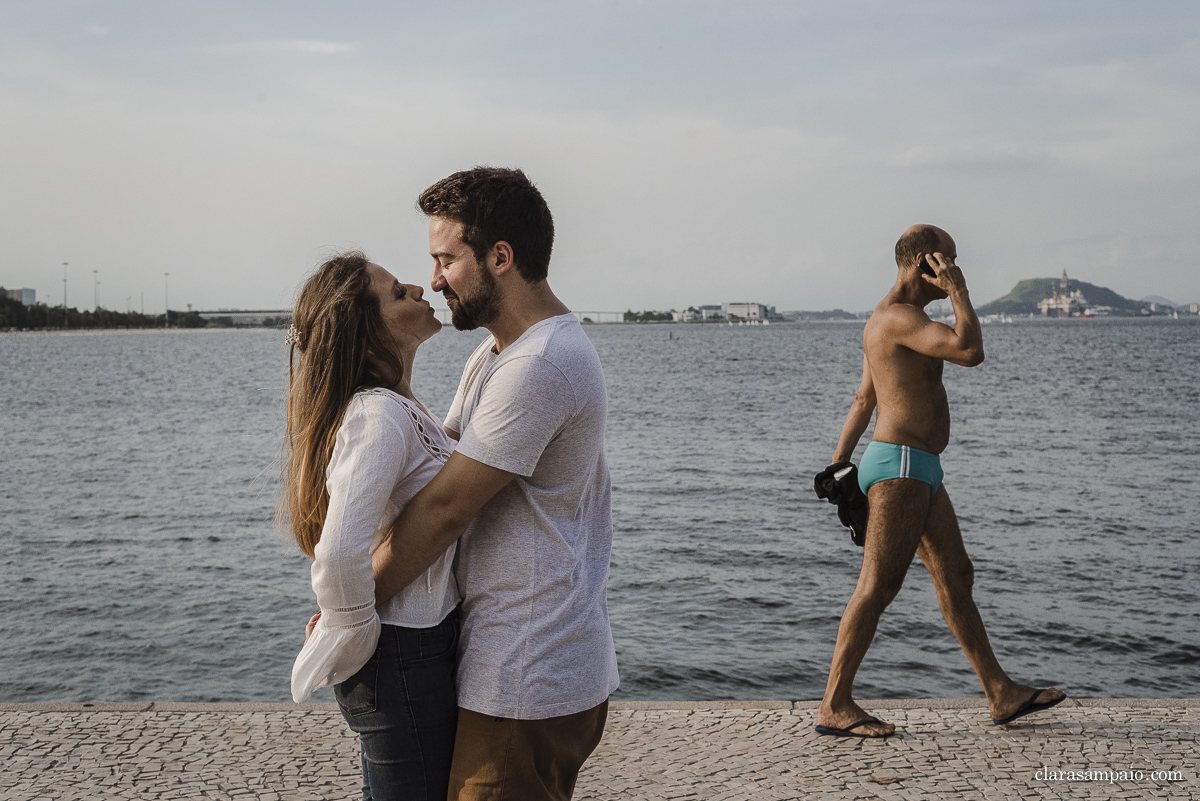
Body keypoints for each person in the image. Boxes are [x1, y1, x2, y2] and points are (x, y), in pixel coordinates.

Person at [371, 167, 619, 801]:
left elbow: (446, 508)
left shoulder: (539, 364)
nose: (433, 279)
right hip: (515, 662)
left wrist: (351, 600)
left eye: (446, 259)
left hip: (527, 673)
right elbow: (437, 459)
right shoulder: (499, 353)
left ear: (499, 257)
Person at [815, 224, 1065, 738]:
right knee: (877, 588)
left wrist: (837, 464)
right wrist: (960, 293)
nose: (953, 267)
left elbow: (865, 397)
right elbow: (970, 350)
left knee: (957, 576)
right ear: (921, 264)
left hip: (919, 468)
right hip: (901, 467)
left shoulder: (894, 321)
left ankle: (1000, 692)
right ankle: (834, 704)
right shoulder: (898, 319)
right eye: (946, 260)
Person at [283, 251, 461, 800]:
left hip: (415, 649)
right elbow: (336, 553)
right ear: (365, 335)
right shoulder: (379, 413)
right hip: (403, 653)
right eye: (394, 292)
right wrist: (352, 627)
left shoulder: (402, 407)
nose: (415, 287)